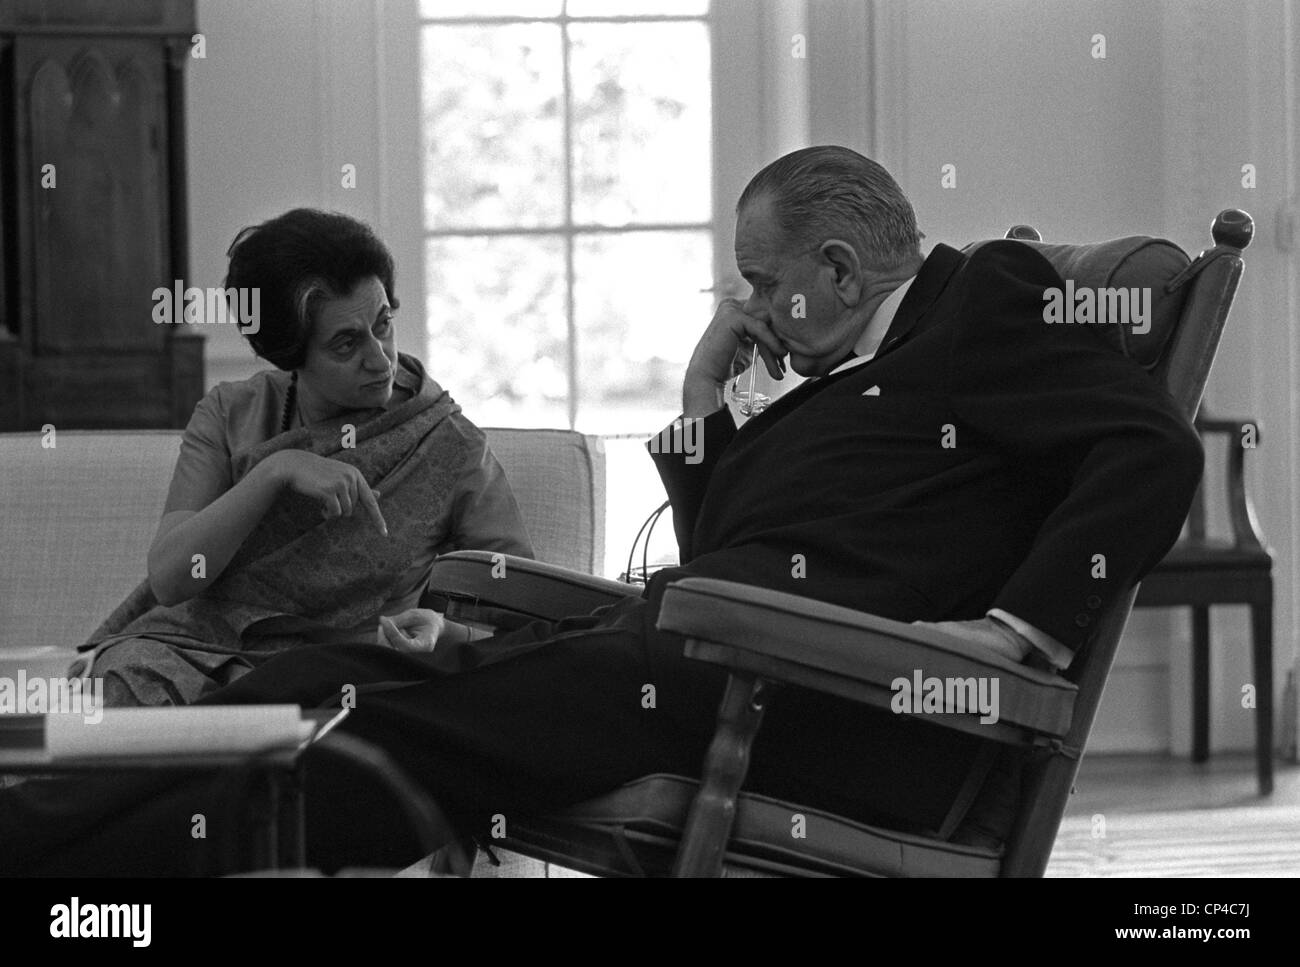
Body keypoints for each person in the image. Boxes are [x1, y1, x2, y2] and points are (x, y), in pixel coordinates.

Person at [0, 147, 1202, 875]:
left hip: (807, 697)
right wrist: (700, 399)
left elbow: (1150, 446)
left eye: (762, 279)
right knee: (298, 679)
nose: (754, 304)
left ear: (839, 269)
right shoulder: (849, 382)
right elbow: (729, 538)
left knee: (383, 737)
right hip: (700, 654)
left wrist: (1018, 637)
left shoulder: (985, 294)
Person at [76, 209, 533, 707]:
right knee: (115, 689)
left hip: (344, 672)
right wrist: (274, 472)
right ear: (290, 353)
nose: (381, 360)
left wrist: (446, 633)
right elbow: (171, 580)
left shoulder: (448, 443)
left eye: (383, 325)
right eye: (346, 344)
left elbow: (522, 616)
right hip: (197, 654)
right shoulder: (231, 414)